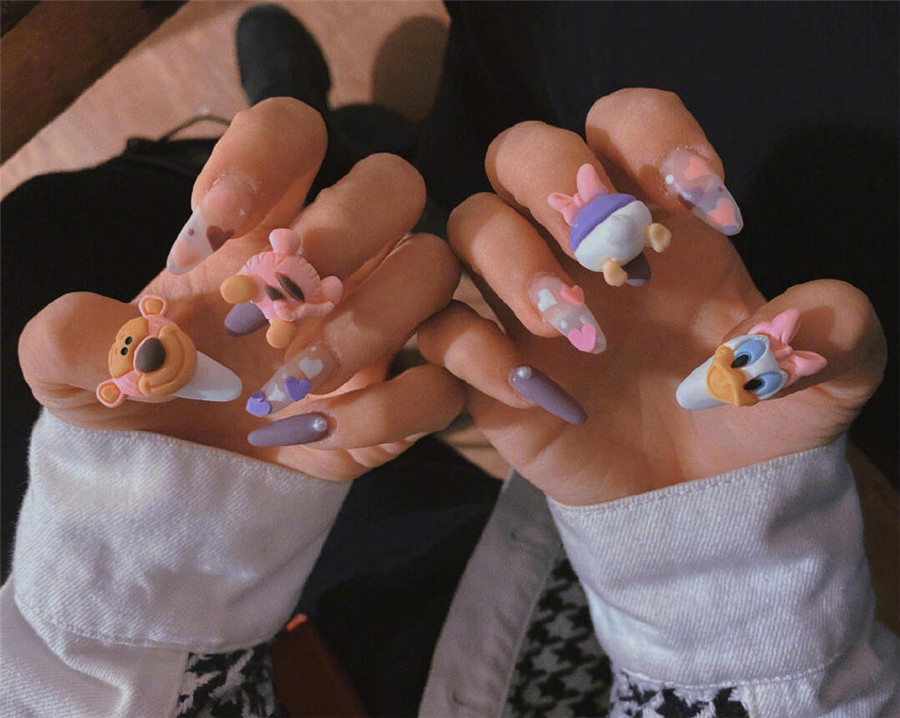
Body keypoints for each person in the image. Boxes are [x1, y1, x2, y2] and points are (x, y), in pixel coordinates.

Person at [2, 4, 898, 717]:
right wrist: (707, 553)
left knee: (43, 246)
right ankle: (353, 144)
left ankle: (299, 153)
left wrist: (162, 552)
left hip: (284, 606)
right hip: (551, 647)